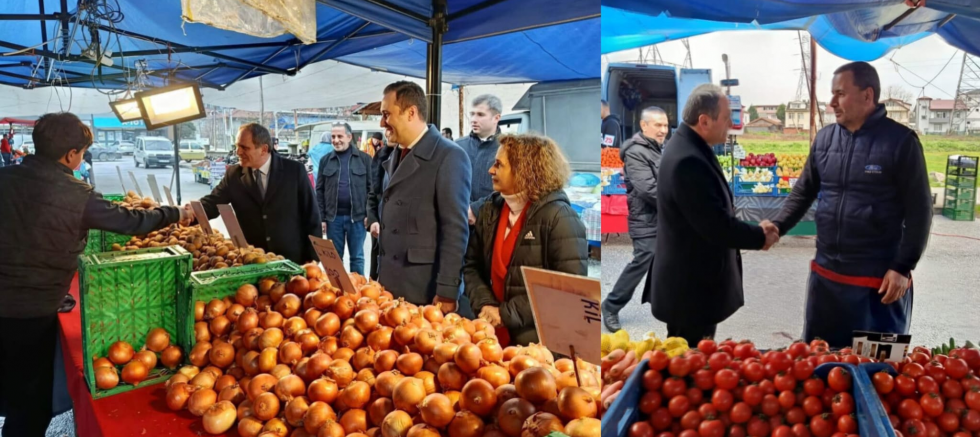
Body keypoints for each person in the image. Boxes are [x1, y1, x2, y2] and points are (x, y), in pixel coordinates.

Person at [0, 112, 189, 436]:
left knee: (13, 392)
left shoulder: (5, 178)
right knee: (30, 406)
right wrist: (175, 213)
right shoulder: (76, 194)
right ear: (71, 155)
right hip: (32, 310)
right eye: (83, 153)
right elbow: (133, 222)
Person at [770, 62, 933, 348]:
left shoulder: (901, 142)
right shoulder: (825, 140)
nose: (832, 102)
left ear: (867, 95)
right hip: (827, 278)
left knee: (877, 371)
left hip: (878, 283)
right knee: (823, 366)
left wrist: (903, 267)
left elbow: (920, 211)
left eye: (840, 94)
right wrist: (777, 226)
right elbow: (803, 192)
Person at [648, 84, 778, 345]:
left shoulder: (689, 146)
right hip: (691, 292)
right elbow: (715, 225)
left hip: (690, 287)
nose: (730, 123)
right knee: (690, 363)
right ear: (704, 121)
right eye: (726, 117)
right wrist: (759, 236)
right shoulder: (688, 160)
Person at [464, 133, 588, 346]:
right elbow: (471, 265)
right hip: (491, 337)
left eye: (498, 165)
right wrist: (485, 305)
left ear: (524, 171)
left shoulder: (559, 218)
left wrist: (505, 313)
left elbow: (568, 288)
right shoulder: (490, 209)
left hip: (539, 345)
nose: (490, 170)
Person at [376, 81, 471, 313]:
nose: (382, 123)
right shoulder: (394, 155)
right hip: (390, 284)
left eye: (386, 114)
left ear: (411, 113)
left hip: (422, 290)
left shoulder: (449, 156)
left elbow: (455, 230)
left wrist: (448, 290)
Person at [191, 123, 322, 264]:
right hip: (252, 261)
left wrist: (313, 259)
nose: (238, 152)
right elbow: (212, 202)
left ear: (264, 149)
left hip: (291, 260)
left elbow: (311, 215)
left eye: (244, 147)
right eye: (237, 146)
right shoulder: (234, 175)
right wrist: (187, 214)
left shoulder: (294, 171)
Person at [601, 106, 670, 332]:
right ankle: (611, 305)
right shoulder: (636, 152)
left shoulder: (660, 148)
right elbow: (648, 189)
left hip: (666, 217)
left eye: (665, 125)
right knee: (644, 258)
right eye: (658, 125)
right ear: (643, 125)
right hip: (646, 217)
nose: (663, 130)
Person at [316, 122, 372, 276]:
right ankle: (336, 292)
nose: (336, 140)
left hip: (358, 218)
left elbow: (371, 189)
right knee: (335, 260)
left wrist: (369, 214)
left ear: (349, 137)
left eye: (340, 136)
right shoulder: (325, 161)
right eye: (333, 136)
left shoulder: (365, 159)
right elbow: (319, 191)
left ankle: (359, 292)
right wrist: (322, 218)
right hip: (333, 219)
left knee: (357, 258)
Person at [457, 94, 502, 225]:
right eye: (472, 114)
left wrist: (476, 209)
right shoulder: (457, 147)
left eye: (480, 115)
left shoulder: (507, 149)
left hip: (493, 222)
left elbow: (511, 188)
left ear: (496, 118)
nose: (473, 119)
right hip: (459, 223)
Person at [367, 132, 393, 280]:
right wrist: (372, 219)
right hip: (379, 226)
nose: (387, 132)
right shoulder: (380, 155)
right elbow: (373, 192)